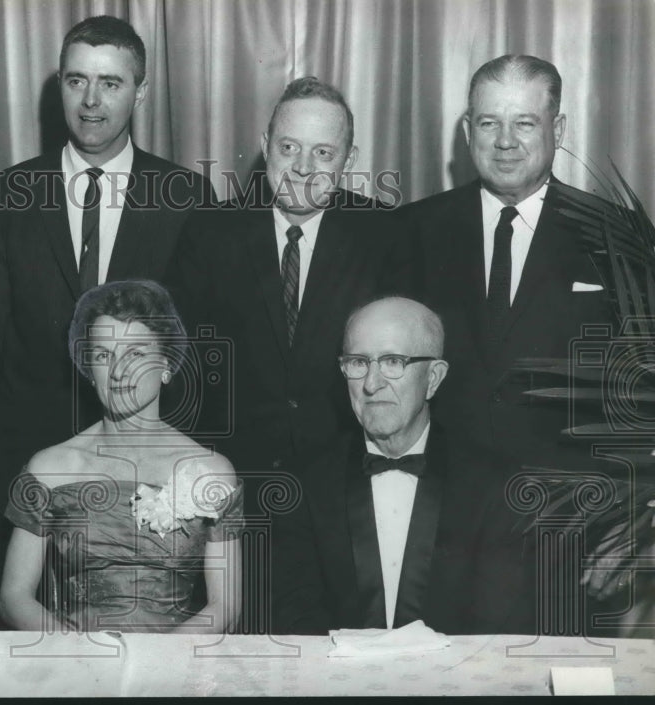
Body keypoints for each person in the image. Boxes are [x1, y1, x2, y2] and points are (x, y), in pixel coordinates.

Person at [0, 15, 214, 618]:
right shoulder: (8, 194)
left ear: (140, 92)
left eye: (111, 83)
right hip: (30, 460)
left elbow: (195, 342)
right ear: (60, 87)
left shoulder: (188, 199)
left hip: (145, 470)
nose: (91, 101)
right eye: (76, 82)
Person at [165, 78, 401, 539]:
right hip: (233, 491)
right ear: (264, 146)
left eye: (323, 153)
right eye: (289, 147)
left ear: (349, 160)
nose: (303, 168)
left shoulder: (386, 236)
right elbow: (179, 363)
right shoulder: (211, 232)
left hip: (350, 494)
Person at [399, 54, 619, 469]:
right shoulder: (413, 229)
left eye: (525, 123)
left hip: (569, 499)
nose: (505, 141)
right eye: (489, 123)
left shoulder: (614, 234)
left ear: (558, 130)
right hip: (442, 493)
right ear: (468, 131)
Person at [271, 297, 533, 635]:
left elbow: (495, 627)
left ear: (434, 378)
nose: (371, 383)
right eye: (358, 362)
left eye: (393, 362)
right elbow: (295, 617)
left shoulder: (495, 486)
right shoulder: (303, 482)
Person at [0, 281, 242, 633]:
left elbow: (226, 605)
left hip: (175, 666)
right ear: (88, 370)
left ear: (167, 364)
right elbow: (14, 597)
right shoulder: (49, 469)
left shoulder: (211, 471)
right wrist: (80, 655)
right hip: (77, 666)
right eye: (102, 355)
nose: (117, 372)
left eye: (136, 354)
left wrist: (158, 664)